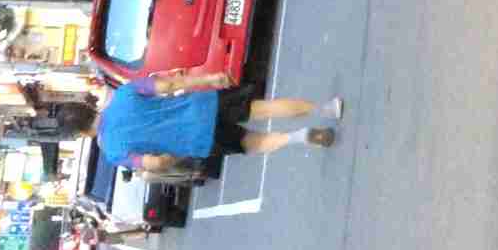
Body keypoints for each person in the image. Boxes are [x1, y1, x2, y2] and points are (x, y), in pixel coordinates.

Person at [94, 68, 343, 180]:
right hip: (203, 105)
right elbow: (170, 84)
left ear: (79, 134)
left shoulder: (114, 153)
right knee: (263, 108)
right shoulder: (123, 94)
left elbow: (155, 164)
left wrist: (176, 153)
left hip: (198, 140)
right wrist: (209, 79)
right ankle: (325, 109)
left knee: (252, 142)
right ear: (89, 108)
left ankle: (298, 137)